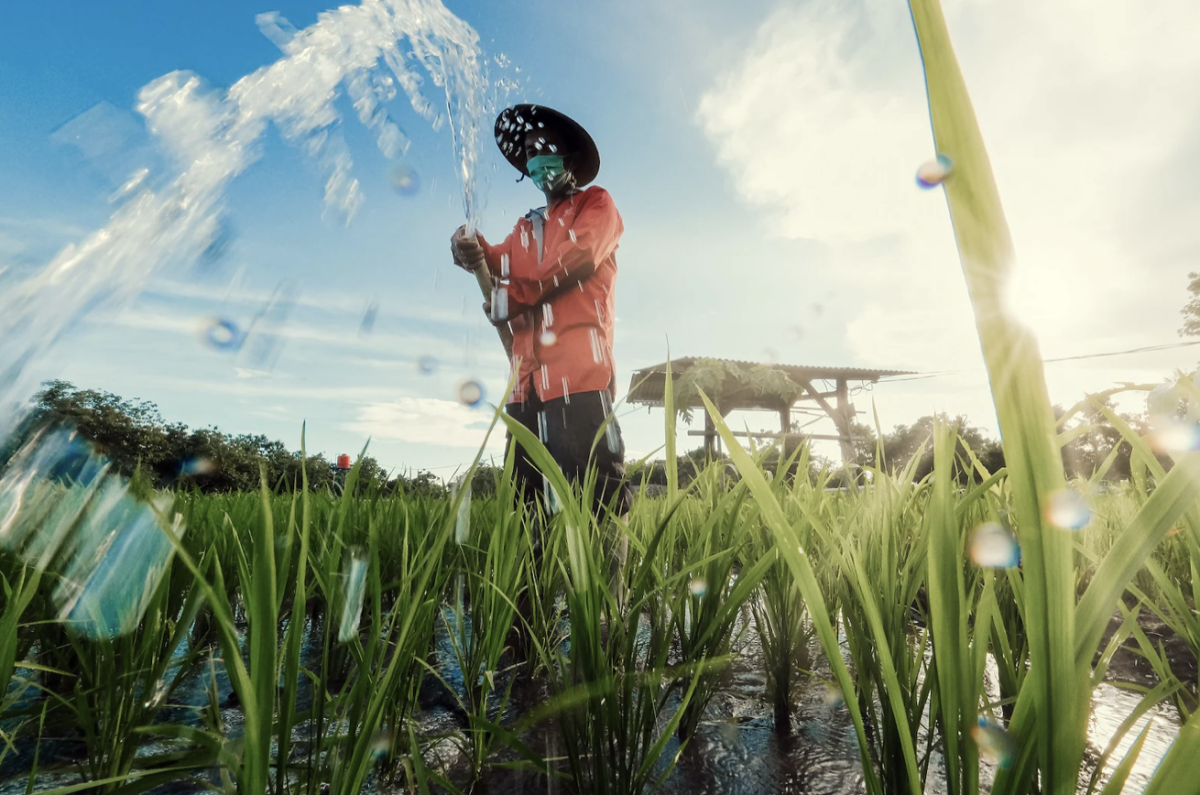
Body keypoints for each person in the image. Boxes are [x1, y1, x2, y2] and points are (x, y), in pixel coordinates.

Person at [449, 103, 632, 555]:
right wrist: (471, 248)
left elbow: (577, 259)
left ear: (569, 160)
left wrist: (512, 297)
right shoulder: (524, 228)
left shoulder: (596, 205)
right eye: (529, 151)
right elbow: (499, 264)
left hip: (579, 382)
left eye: (544, 148)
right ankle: (533, 618)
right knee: (528, 510)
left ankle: (607, 616)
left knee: (599, 503)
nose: (536, 158)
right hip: (526, 390)